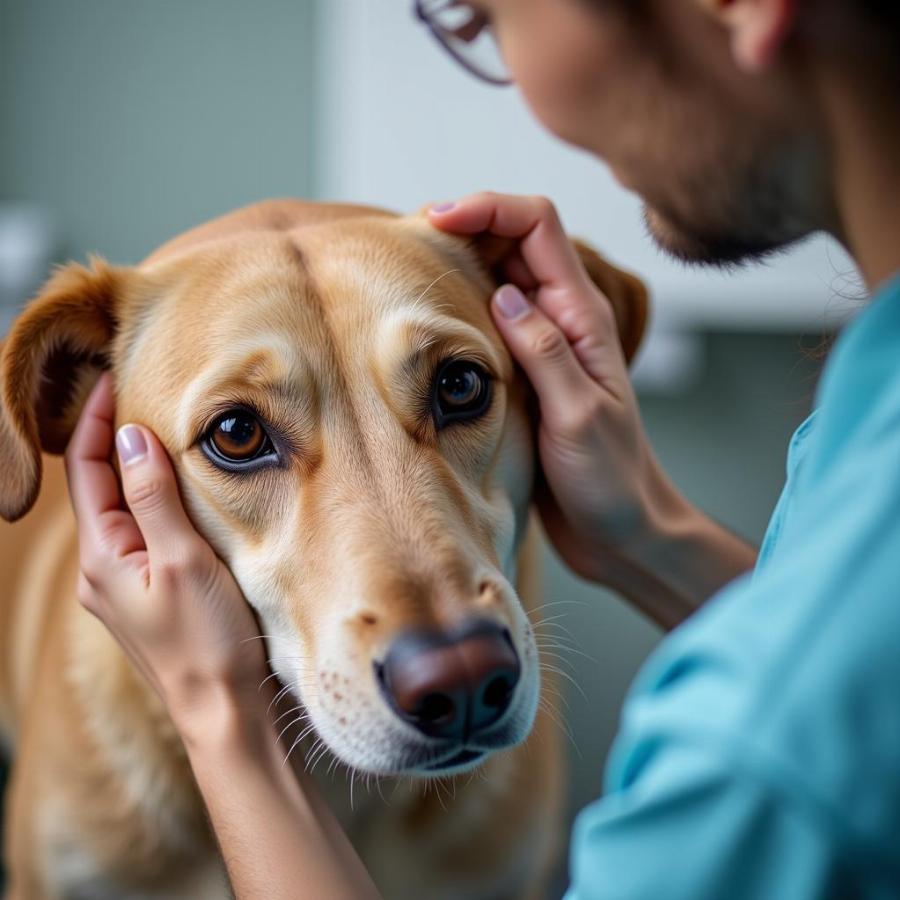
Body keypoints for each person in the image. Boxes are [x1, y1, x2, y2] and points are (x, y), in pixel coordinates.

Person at [65, 0, 900, 897]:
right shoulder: (868, 403)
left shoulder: (745, 782)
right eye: (240, 434)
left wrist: (218, 716)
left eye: (484, 19)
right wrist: (646, 533)